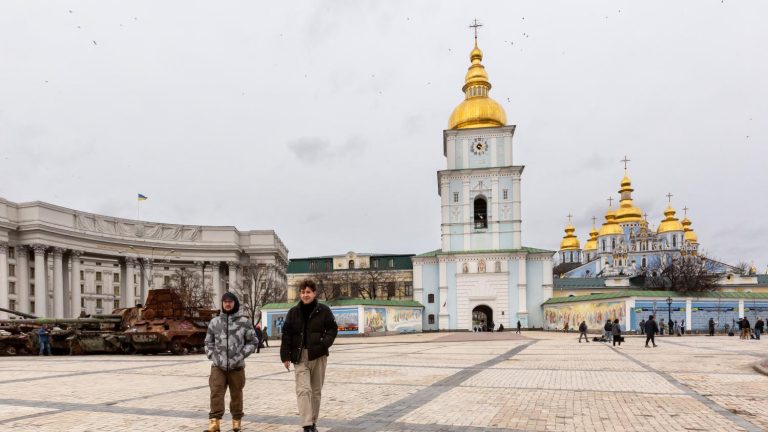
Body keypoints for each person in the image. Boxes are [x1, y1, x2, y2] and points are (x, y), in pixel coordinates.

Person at [281, 279, 338, 432]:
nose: (305, 295)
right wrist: (285, 356)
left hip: (318, 356)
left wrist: (323, 343)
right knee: (303, 390)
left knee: (316, 391)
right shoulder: (293, 312)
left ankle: (313, 422)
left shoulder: (324, 310)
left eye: (308, 292)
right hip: (300, 356)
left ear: (314, 293)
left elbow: (333, 329)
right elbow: (286, 334)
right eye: (302, 292)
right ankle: (306, 425)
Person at [204, 292, 258, 432]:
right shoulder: (215, 322)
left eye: (230, 301)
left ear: (235, 303)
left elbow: (253, 342)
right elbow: (208, 342)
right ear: (222, 303)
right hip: (218, 366)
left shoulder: (244, 322)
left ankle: (236, 421)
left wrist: (240, 356)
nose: (227, 304)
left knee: (236, 394)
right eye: (225, 301)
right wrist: (214, 357)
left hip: (237, 366)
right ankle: (214, 422)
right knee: (216, 392)